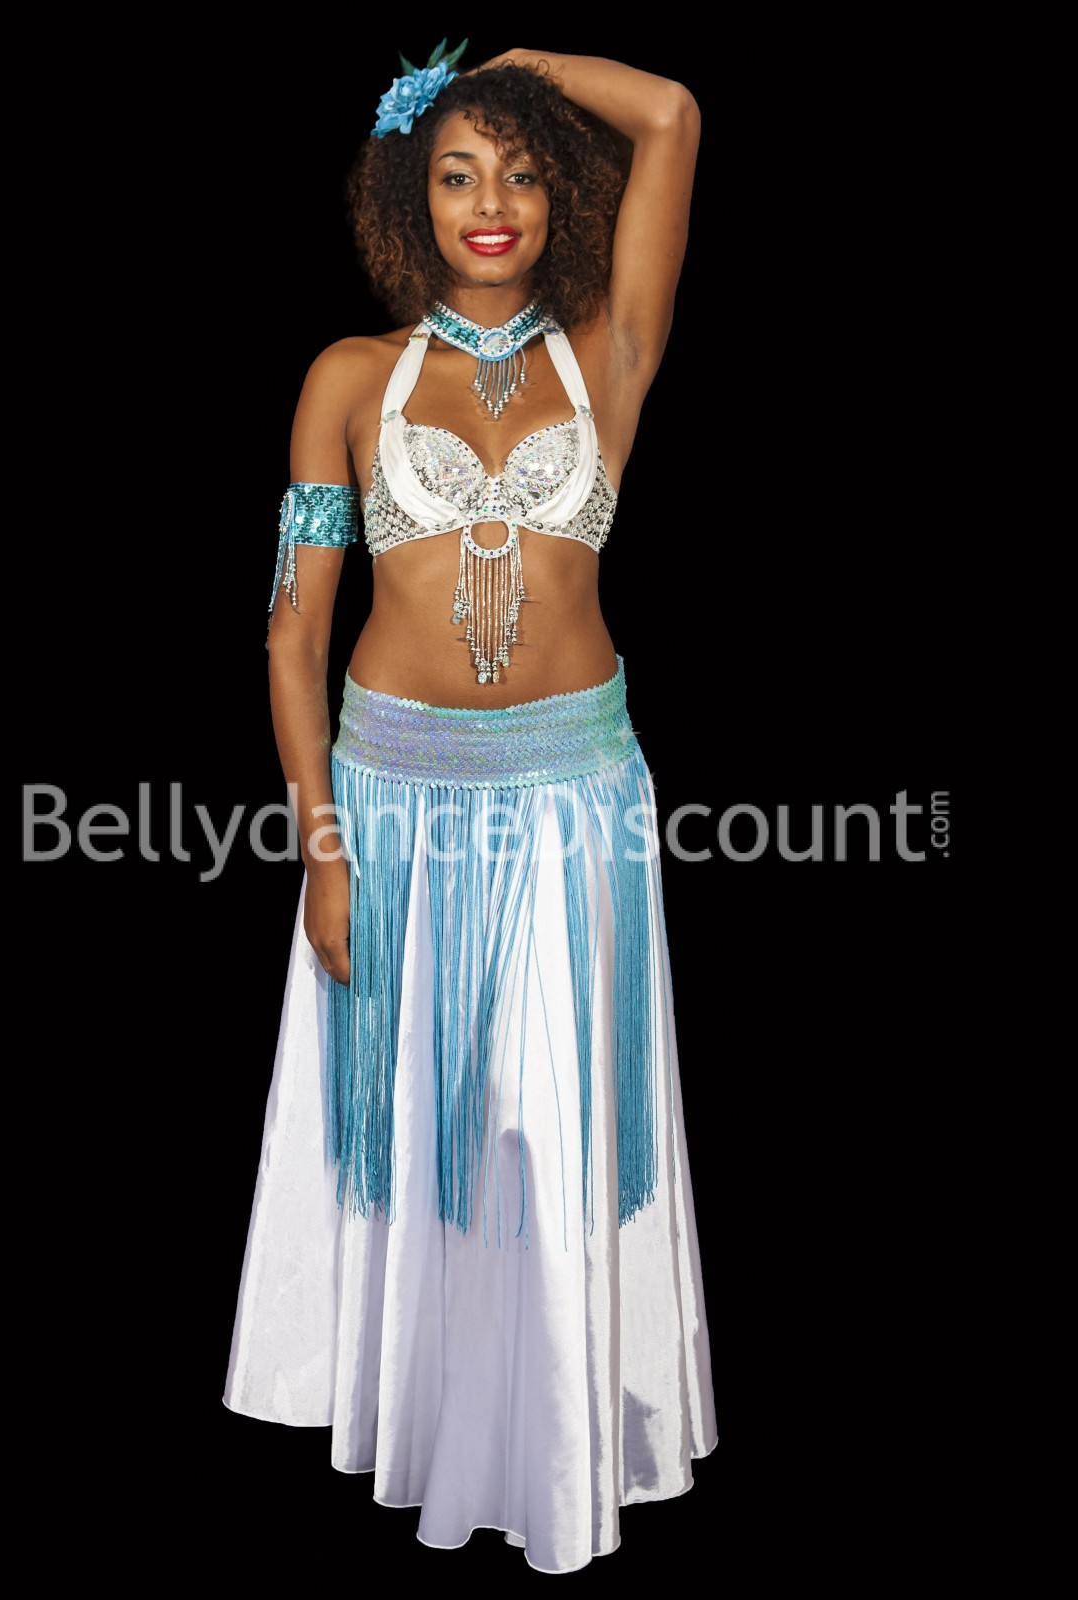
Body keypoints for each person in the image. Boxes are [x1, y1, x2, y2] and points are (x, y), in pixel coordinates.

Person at [223, 43, 717, 1572]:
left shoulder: (604, 356)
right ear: (408, 198)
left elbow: (670, 116)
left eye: (517, 170)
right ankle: (432, 1438)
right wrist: (321, 854)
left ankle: (554, 1456)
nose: (488, 201)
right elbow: (291, 635)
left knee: (547, 1138)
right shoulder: (348, 379)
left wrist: (511, 73)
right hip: (394, 805)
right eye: (454, 173)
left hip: (573, 797)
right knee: (423, 1136)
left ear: (558, 195)